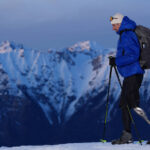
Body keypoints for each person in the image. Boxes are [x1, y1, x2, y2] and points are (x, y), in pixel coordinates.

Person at [109, 13, 145, 144]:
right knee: (127, 104)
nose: (113, 28)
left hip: (133, 74)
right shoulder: (126, 34)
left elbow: (133, 55)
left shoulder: (127, 35)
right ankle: (127, 134)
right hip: (131, 74)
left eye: (114, 25)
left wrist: (117, 61)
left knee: (129, 104)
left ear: (120, 24)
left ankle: (127, 136)